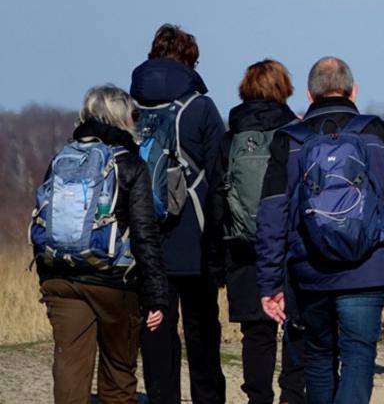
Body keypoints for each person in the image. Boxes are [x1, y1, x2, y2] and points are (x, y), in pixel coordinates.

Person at [256, 57, 384, 404]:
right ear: (353, 91)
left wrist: (269, 283)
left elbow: (271, 215)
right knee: (358, 356)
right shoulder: (378, 134)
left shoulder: (288, 140)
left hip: (310, 271)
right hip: (365, 270)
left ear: (309, 96)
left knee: (319, 357)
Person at [32, 85, 169, 404]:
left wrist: (46, 276)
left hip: (62, 278)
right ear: (123, 117)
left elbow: (45, 218)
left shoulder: (62, 159)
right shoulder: (130, 165)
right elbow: (144, 235)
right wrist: (156, 297)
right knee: (118, 374)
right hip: (115, 283)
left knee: (69, 369)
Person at [130, 24, 227, 403]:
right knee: (203, 334)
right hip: (196, 237)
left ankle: (160, 397)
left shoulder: (130, 108)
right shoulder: (200, 107)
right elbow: (220, 175)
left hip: (146, 240)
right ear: (189, 61)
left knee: (156, 330)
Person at [207, 60, 305, 404]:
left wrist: (216, 260)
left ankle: (258, 398)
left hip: (243, 246)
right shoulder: (298, 133)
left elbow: (216, 200)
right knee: (297, 327)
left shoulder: (231, 138)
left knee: (256, 333)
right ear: (284, 89)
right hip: (292, 247)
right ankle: (293, 396)